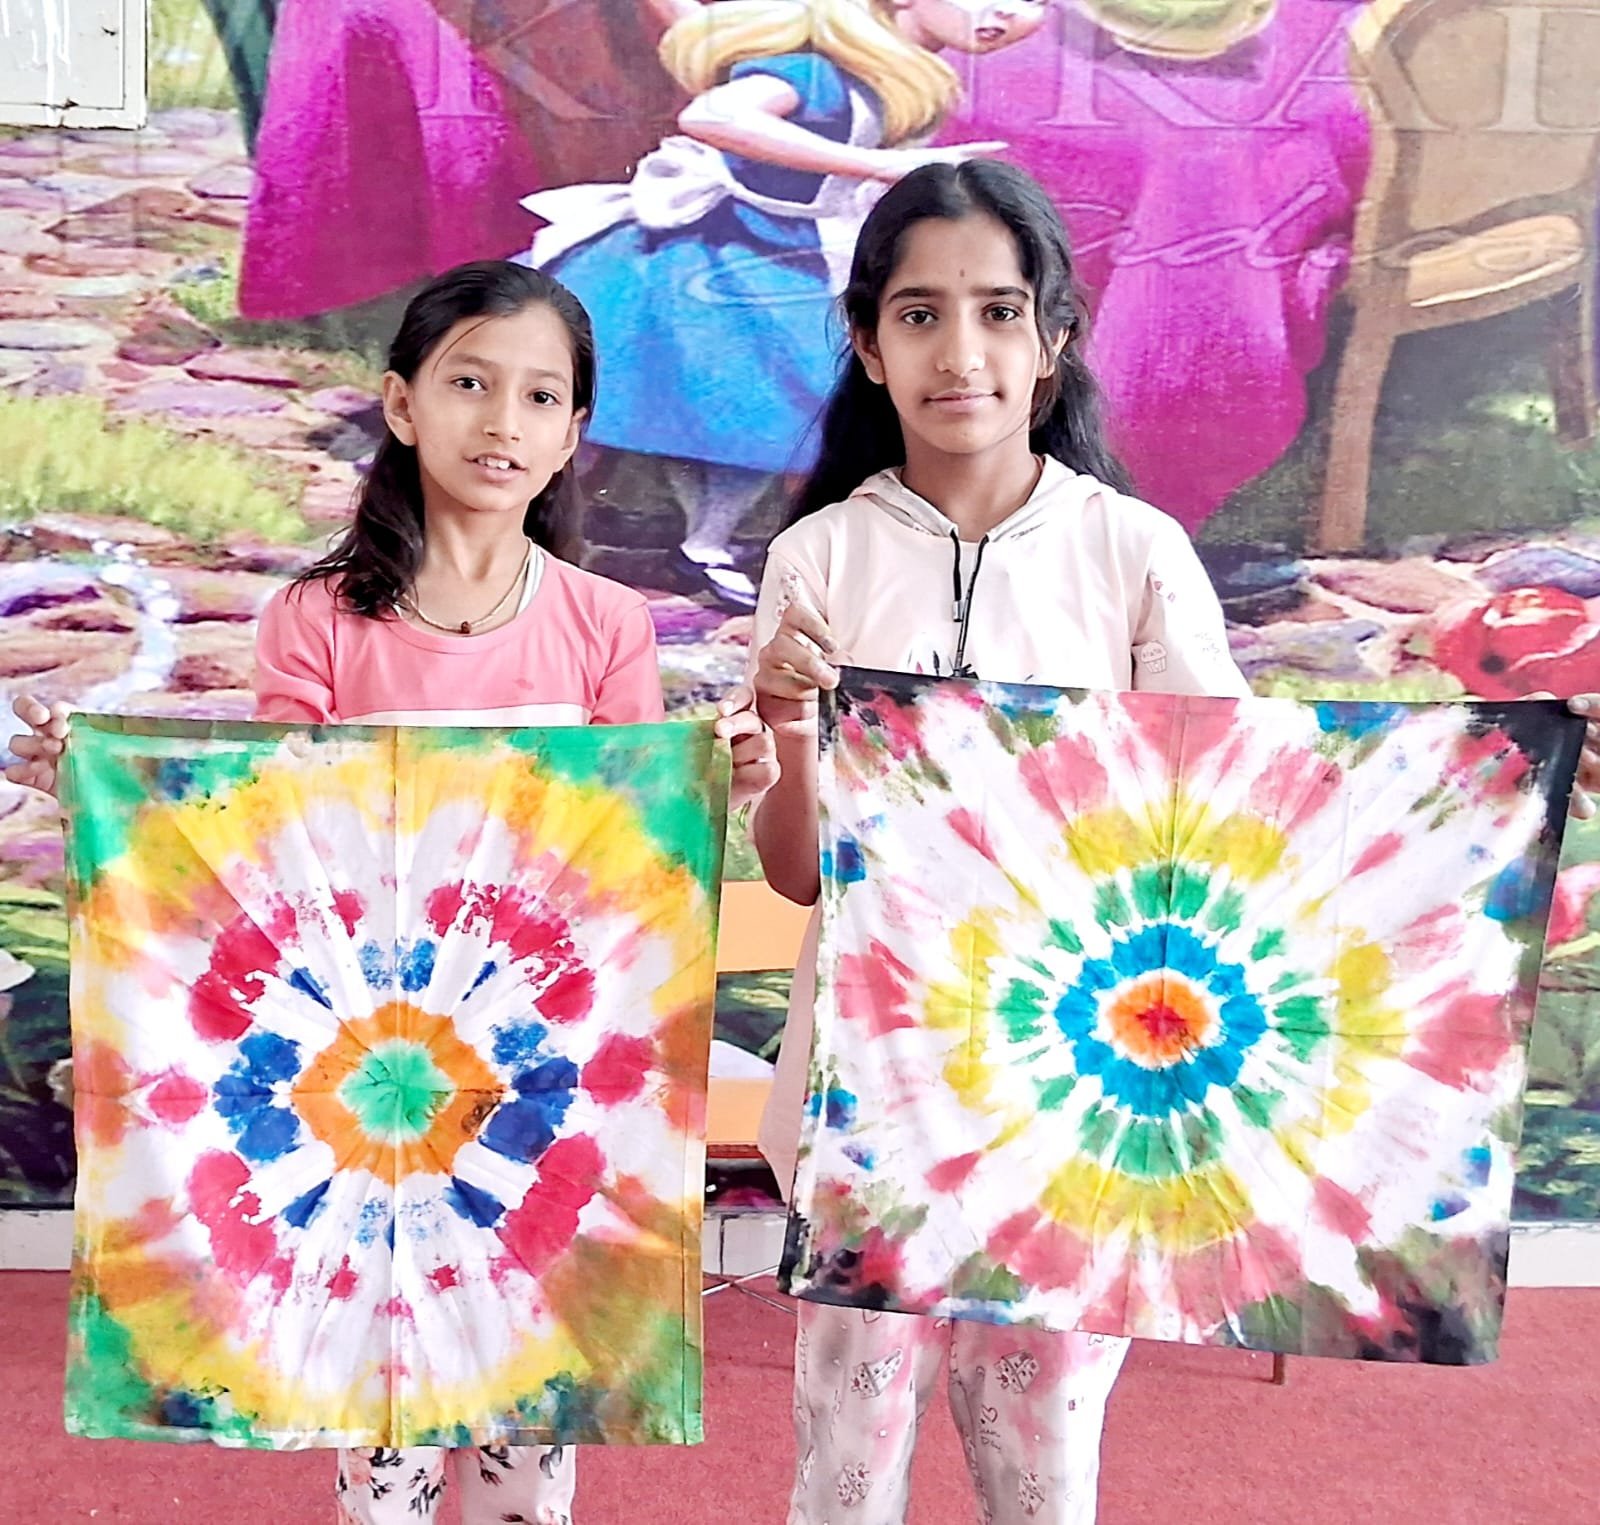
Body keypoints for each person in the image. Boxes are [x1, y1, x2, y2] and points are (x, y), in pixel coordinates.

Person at [730, 158, 1600, 1523]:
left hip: (1081, 1083)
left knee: (1041, 1447)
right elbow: (797, 873)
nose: (961, 352)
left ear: (1055, 338)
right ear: (868, 342)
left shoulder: (1130, 549)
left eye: (999, 311)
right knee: (848, 1442)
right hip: (867, 1079)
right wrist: (789, 723)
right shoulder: (820, 557)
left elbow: (1257, 805)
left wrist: (1497, 785)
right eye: (919, 314)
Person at [7, 258, 776, 1525]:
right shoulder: (313, 619)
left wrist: (717, 785)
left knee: (530, 1410)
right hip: (357, 1081)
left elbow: (631, 863)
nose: (502, 420)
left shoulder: (605, 626)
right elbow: (265, 843)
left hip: (543, 1072)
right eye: (470, 383)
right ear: (404, 403)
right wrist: (102, 784)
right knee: (384, 1418)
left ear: (573, 432)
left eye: (540, 396)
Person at [519, 0, 1048, 607]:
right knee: (663, 394)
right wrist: (878, 165)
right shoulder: (817, 72)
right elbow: (712, 114)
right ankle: (545, 531)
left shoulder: (896, 75)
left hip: (796, 250)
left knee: (781, 403)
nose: (1006, 12)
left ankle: (707, 543)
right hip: (717, 252)